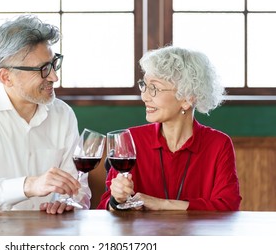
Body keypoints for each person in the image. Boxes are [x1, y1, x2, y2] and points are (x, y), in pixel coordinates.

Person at [0, 15, 91, 214]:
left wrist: (67, 201)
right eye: (43, 69)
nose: (54, 77)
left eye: (53, 64)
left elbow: (79, 188)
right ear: (6, 77)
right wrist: (29, 185)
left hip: (51, 237)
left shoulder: (63, 114)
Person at [98, 45, 242, 211]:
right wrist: (117, 199)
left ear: (187, 98)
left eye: (154, 88)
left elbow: (228, 206)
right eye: (144, 86)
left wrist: (161, 204)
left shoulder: (218, 144)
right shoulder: (131, 139)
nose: (144, 96)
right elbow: (105, 207)